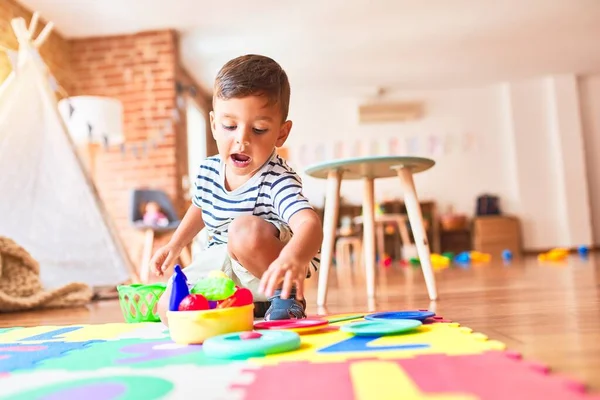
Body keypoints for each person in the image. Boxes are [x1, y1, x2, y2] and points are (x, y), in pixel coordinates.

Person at [151, 54, 323, 323]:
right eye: (230, 126)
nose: (241, 140)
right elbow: (200, 207)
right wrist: (175, 244)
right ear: (213, 125)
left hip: (267, 264)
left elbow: (309, 224)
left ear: (281, 133)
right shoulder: (208, 171)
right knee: (167, 309)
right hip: (221, 261)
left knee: (242, 232)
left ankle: (285, 295)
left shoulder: (276, 178)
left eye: (258, 129)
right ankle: (245, 306)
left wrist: (294, 257)